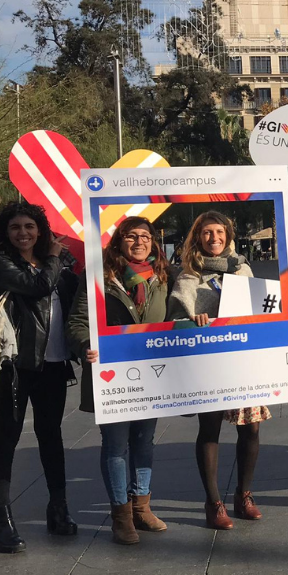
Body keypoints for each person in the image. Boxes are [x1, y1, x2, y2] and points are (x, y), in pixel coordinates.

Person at [67, 217, 171, 544]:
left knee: (144, 442)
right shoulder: (99, 278)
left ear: (154, 242)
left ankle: (142, 506)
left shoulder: (163, 277)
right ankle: (121, 515)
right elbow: (77, 322)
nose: (139, 242)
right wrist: (86, 345)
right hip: (112, 378)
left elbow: (172, 318)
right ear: (119, 242)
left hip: (152, 374)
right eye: (131, 237)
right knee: (115, 445)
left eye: (145, 236)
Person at [0, 202, 79, 553]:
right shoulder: (2, 264)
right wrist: (56, 257)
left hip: (52, 365)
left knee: (51, 436)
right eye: (15, 227)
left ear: (40, 230)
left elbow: (72, 297)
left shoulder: (57, 265)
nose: (23, 233)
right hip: (14, 367)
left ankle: (58, 507)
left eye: (29, 226)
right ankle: (2, 521)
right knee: (6, 439)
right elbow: (38, 286)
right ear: (5, 233)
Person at [167, 211, 266, 529]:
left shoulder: (242, 268)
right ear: (198, 237)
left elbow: (261, 308)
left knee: (250, 428)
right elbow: (173, 320)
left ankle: (244, 495)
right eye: (207, 233)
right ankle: (214, 503)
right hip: (206, 362)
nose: (214, 238)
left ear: (228, 235)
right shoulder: (188, 275)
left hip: (242, 360)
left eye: (219, 232)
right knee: (209, 430)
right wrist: (190, 319)